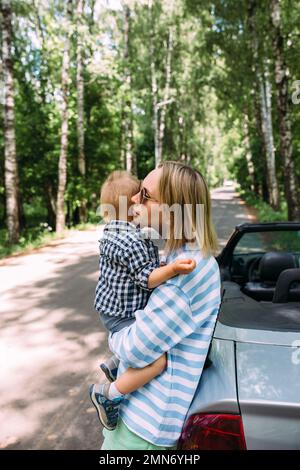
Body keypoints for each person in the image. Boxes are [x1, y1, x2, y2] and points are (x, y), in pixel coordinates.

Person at [100, 161, 222, 450]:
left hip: (144, 429)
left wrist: (114, 334)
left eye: (144, 194)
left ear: (172, 207)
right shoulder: (180, 255)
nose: (133, 200)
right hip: (138, 416)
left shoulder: (188, 270)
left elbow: (135, 349)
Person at [89, 170, 196, 430]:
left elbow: (141, 265)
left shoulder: (116, 231)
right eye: (140, 196)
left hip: (112, 309)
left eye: (145, 195)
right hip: (122, 313)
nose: (140, 200)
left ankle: (116, 363)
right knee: (157, 362)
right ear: (132, 207)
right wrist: (171, 269)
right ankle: (108, 394)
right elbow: (146, 278)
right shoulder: (131, 240)